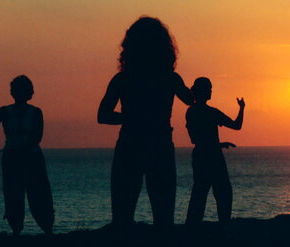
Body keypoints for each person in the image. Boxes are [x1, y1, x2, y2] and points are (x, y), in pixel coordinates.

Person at [97, 17, 194, 228]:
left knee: (122, 218)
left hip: (130, 144)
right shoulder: (170, 78)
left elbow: (103, 115)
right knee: (163, 217)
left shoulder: (122, 79)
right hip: (159, 145)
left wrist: (129, 118)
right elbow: (190, 99)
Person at [0, 75, 54, 235]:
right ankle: (43, 230)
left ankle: (23, 230)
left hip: (19, 157)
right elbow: (37, 136)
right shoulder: (32, 112)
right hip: (25, 157)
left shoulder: (9, 112)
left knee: (23, 193)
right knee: (27, 193)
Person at [185, 77, 245, 224]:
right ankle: (223, 225)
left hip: (200, 155)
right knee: (223, 192)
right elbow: (237, 125)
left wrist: (217, 144)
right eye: (208, 88)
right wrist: (242, 108)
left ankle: (192, 226)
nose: (211, 91)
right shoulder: (211, 112)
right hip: (213, 157)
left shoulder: (191, 112)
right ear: (202, 91)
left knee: (200, 192)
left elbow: (196, 139)